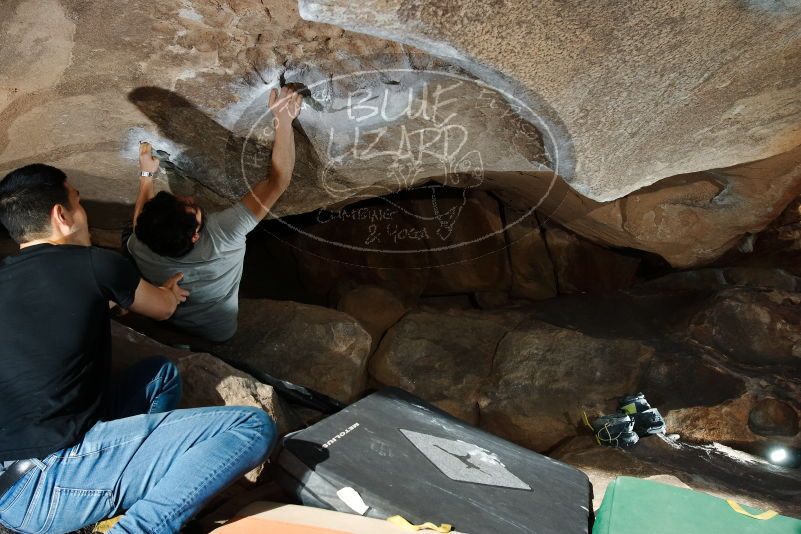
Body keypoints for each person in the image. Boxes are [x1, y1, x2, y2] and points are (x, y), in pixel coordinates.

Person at [0, 163, 275, 533]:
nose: (85, 212)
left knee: (160, 376)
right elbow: (161, 308)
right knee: (251, 426)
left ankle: (120, 489)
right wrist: (169, 292)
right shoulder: (95, 265)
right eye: (79, 202)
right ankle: (137, 528)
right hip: (49, 481)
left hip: (10, 480)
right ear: (61, 215)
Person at [127, 85, 302, 342]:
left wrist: (146, 177)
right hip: (219, 329)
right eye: (192, 208)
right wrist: (283, 121)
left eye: (179, 200)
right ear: (196, 236)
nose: (188, 198)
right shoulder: (224, 234)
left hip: (173, 317)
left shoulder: (141, 243)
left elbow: (139, 222)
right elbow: (277, 181)